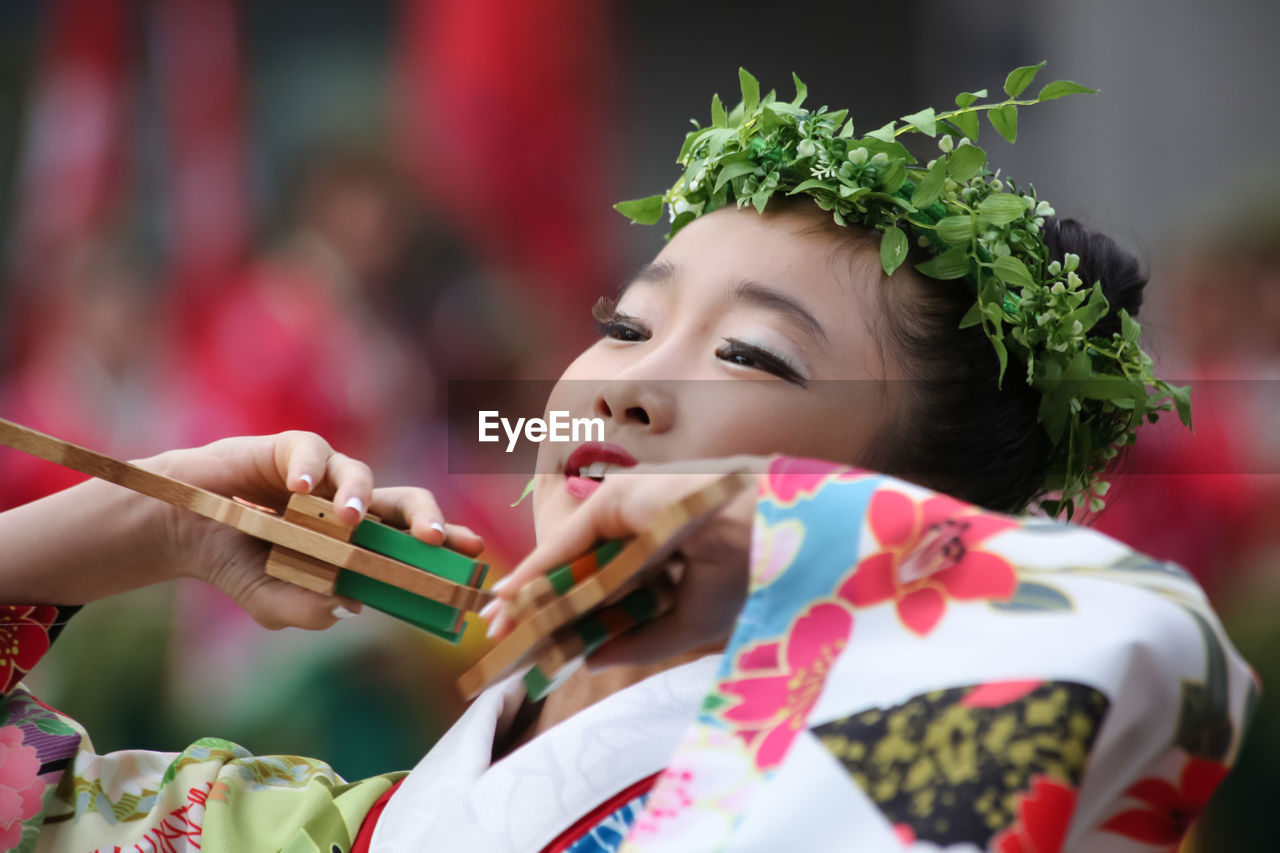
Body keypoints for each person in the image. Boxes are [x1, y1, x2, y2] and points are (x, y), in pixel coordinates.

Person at [0, 69, 1253, 852]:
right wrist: (144, 528)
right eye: (623, 325)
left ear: (908, 513)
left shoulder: (855, 807)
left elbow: (1149, 649)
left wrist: (751, 516)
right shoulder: (351, 827)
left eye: (754, 357)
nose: (629, 382)